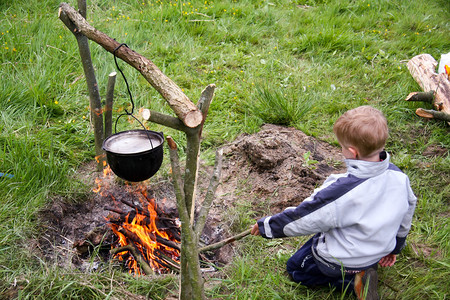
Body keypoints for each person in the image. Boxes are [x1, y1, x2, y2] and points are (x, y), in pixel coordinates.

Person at [251, 106, 417, 300]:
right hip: (378, 251)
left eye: (342, 147)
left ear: (353, 152)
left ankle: (349, 282)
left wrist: (267, 226)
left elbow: (305, 218)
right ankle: (364, 270)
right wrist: (396, 247)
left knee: (296, 268)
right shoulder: (399, 177)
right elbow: (406, 214)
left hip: (340, 261)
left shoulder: (341, 192)